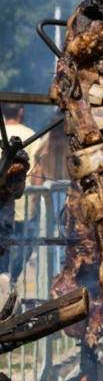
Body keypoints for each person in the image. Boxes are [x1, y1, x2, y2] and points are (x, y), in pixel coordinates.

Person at [0, 103, 43, 276]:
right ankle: (8, 278)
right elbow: (38, 171)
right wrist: (36, 199)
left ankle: (5, 279)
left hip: (9, 208)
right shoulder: (31, 135)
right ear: (21, 111)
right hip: (23, 210)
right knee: (23, 246)